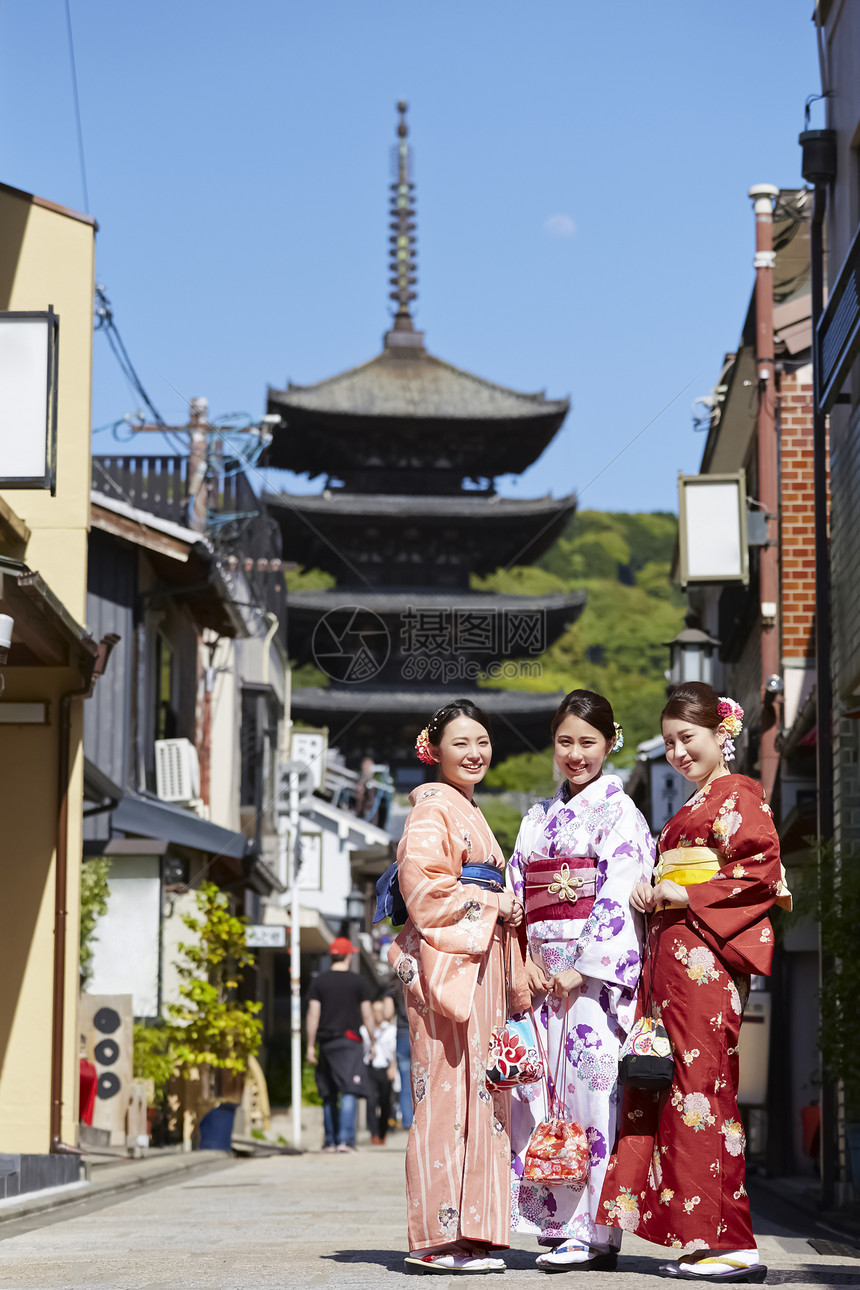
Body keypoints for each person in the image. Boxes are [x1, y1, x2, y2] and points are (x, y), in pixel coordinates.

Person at [600, 682, 791, 1282]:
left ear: (720, 735)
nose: (679, 752)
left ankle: (730, 1243)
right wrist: (650, 887)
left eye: (689, 739)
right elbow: (674, 877)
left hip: (705, 962)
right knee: (674, 1091)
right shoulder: (691, 807)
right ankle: (700, 1238)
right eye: (670, 743)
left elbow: (760, 872)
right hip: (674, 964)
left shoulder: (741, 795)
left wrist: (688, 891)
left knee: (703, 1094)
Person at [507, 689, 656, 1271]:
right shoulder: (537, 817)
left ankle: (593, 1230)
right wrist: (526, 961)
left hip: (590, 983)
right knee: (541, 1098)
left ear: (609, 743)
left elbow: (620, 895)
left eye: (587, 743)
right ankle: (556, 1222)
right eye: (565, 741)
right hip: (543, 977)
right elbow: (519, 895)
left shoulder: (620, 813)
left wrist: (578, 967)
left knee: (593, 1098)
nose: (575, 754)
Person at [387, 699, 528, 1275]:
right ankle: (437, 1238)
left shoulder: (468, 811)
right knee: (445, 1097)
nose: (474, 754)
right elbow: (423, 892)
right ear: (434, 750)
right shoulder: (431, 811)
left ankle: (475, 1232)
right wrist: (494, 899)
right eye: (461, 744)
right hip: (449, 963)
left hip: (482, 962)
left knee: (484, 1094)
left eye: (483, 742)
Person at [305, 936, 373, 1154]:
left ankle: (330, 1142)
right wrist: (372, 1039)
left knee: (328, 1092)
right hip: (350, 1042)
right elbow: (368, 1015)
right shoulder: (358, 982)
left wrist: (309, 1045)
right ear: (350, 955)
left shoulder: (319, 982)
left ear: (331, 956)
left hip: (326, 1043)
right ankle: (346, 1140)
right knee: (349, 1090)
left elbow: (313, 1015)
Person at [362, 999, 397, 1144]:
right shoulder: (364, 1030)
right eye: (374, 1011)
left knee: (385, 1102)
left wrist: (393, 1067)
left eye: (380, 1011)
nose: (377, 1014)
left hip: (385, 1069)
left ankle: (382, 1132)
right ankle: (374, 1133)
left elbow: (394, 1051)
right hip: (369, 1068)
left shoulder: (390, 1030)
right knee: (370, 1102)